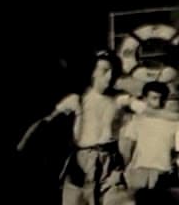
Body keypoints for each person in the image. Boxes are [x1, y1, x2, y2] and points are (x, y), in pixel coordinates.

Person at [47, 52, 141, 205]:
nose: (110, 76)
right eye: (105, 70)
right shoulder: (77, 99)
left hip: (110, 162)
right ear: (93, 72)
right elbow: (47, 123)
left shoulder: (120, 99)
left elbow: (145, 111)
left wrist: (123, 168)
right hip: (81, 162)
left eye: (113, 71)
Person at [120, 81, 179, 203]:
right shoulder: (138, 119)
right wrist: (127, 165)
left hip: (162, 170)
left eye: (162, 98)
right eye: (154, 98)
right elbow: (129, 145)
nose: (158, 102)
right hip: (140, 169)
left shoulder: (174, 123)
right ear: (145, 98)